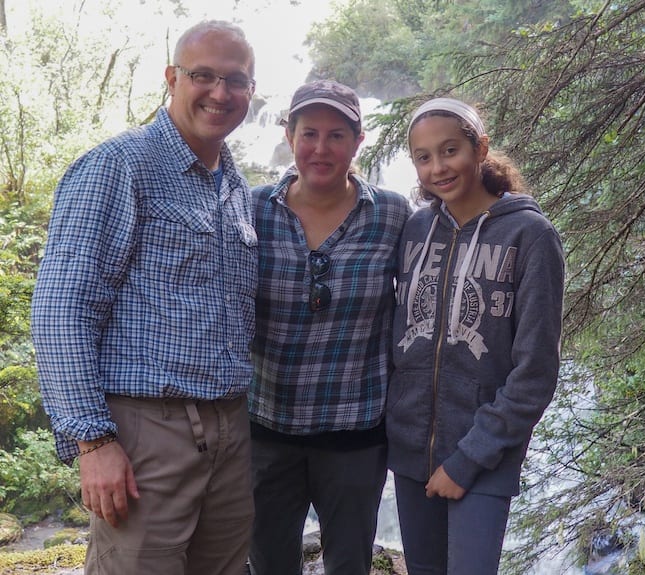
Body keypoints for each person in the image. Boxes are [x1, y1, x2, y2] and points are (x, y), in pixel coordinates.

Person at [30, 20, 258, 575]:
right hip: (145, 433)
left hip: (230, 426)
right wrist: (92, 442)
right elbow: (62, 308)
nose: (220, 93)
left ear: (252, 90)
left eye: (236, 80)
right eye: (203, 76)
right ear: (171, 78)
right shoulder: (119, 165)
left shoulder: (234, 184)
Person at [387, 97, 565, 574]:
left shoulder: (530, 235)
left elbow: (536, 371)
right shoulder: (415, 229)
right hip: (410, 449)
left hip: (486, 452)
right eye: (423, 157)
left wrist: (468, 459)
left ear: (480, 148)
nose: (438, 167)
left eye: (450, 150)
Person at [247, 79, 412, 575]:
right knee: (269, 563)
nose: (321, 148)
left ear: (358, 142)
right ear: (289, 135)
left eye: (336, 135)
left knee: (350, 565)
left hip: (356, 434)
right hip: (266, 431)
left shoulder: (392, 214)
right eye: (309, 133)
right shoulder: (251, 209)